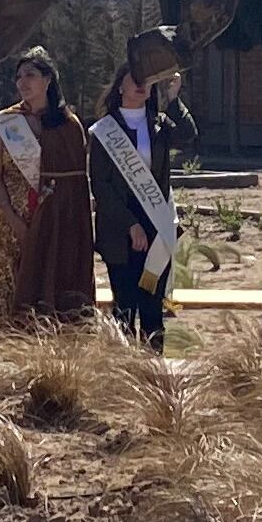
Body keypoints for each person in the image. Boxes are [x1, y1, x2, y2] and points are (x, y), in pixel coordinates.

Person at [0, 48, 97, 332]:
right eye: (19, 76)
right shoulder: (6, 121)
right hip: (11, 223)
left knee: (49, 286)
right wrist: (11, 216)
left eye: (31, 75)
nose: (23, 82)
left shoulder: (69, 126)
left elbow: (76, 188)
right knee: (6, 292)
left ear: (48, 80)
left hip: (54, 225)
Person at [87, 56, 190, 346]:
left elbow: (189, 137)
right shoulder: (104, 130)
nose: (141, 85)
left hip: (157, 225)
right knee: (124, 307)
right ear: (120, 85)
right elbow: (101, 187)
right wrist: (130, 224)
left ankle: (152, 376)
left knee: (152, 308)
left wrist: (173, 99)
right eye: (135, 79)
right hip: (119, 231)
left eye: (147, 80)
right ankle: (122, 375)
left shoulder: (159, 124)